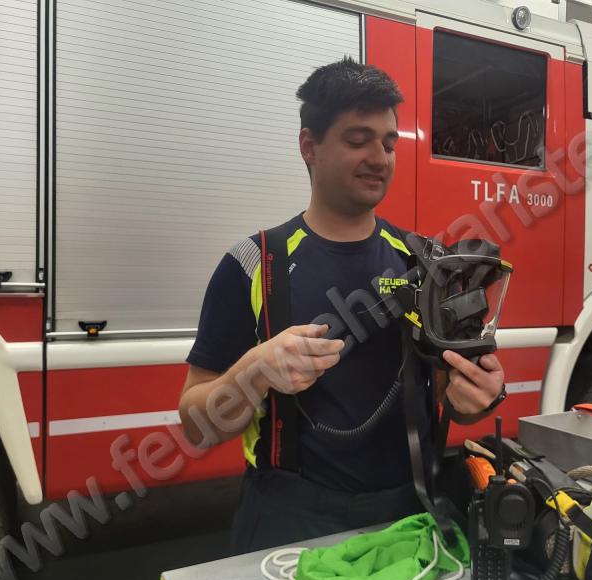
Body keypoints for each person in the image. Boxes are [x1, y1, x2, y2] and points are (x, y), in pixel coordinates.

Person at [178, 58, 505, 554]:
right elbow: (195, 426)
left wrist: (474, 395)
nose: (379, 158)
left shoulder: (427, 262)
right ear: (309, 146)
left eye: (389, 143)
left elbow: (451, 397)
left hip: (407, 516)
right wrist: (255, 370)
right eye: (358, 140)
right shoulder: (253, 264)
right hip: (287, 522)